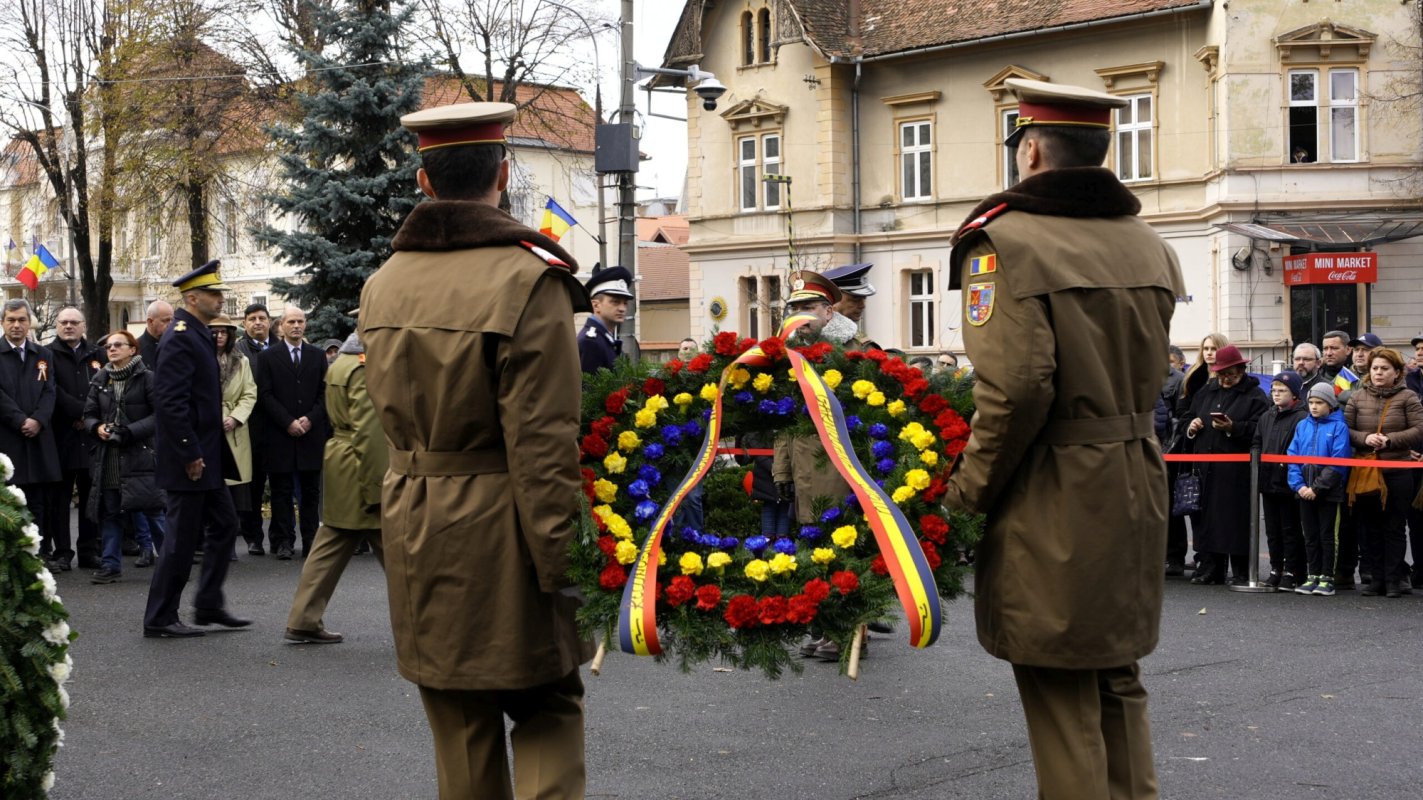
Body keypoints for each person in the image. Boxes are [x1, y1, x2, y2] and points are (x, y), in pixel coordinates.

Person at [941, 77, 1184, 800]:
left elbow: (1015, 390)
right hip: (1134, 475)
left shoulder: (1004, 242)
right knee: (1117, 673)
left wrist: (964, 495)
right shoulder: (1149, 244)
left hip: (1054, 487)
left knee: (1059, 685)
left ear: (1032, 152)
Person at [359, 101, 593, 800]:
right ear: (504, 174)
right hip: (507, 526)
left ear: (424, 181)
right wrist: (567, 564)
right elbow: (543, 441)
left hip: (415, 518)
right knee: (548, 700)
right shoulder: (529, 278)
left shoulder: (382, 283)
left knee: (458, 718)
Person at [143, 260, 249, 638]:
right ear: (192, 298)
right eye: (213, 293)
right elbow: (171, 403)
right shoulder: (180, 337)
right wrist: (189, 453)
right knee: (181, 540)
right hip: (190, 457)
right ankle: (160, 617)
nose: (220, 299)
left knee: (225, 525)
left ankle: (208, 604)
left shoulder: (198, 333)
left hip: (206, 456)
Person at [284, 328, 386, 644]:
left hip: (342, 459)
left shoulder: (343, 361)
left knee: (331, 543)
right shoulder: (365, 365)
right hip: (362, 464)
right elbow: (369, 432)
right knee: (403, 555)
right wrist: (379, 489)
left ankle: (303, 618)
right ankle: (431, 628)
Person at [82, 331, 165, 583]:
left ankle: (172, 562)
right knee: (111, 512)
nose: (112, 349)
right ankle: (110, 566)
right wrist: (97, 427)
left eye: (118, 345)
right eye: (109, 346)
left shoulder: (147, 378)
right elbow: (88, 414)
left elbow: (159, 415)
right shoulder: (100, 378)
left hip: (141, 455)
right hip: (109, 456)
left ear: (133, 349)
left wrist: (129, 431)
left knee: (153, 511)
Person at [1185, 344, 1270, 585]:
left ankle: (1241, 571)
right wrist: (1192, 426)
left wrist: (1234, 427)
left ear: (1241, 370)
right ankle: (1211, 568)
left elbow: (1259, 429)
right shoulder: (1206, 391)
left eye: (1230, 374)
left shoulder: (1255, 395)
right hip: (1206, 466)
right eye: (1221, 374)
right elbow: (1187, 416)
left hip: (1236, 470)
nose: (1225, 379)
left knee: (1235, 521)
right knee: (1206, 520)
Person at [1343, 347, 1423, 597]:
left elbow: (1419, 429)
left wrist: (1390, 440)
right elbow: (1345, 429)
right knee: (1371, 528)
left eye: (1384, 368)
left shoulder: (1408, 397)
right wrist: (1365, 438)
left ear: (1397, 372)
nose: (1378, 372)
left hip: (1398, 471)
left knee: (1395, 527)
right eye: (1375, 368)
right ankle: (1376, 579)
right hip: (1367, 471)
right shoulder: (1357, 397)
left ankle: (1393, 580)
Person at [255, 307, 328, 560]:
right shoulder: (268, 357)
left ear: (305, 324)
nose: (296, 326)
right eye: (291, 322)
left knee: (310, 493)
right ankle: (284, 541)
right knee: (281, 492)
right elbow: (265, 395)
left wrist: (310, 419)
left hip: (310, 435)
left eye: (300, 321)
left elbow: (324, 393)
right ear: (281, 326)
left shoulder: (317, 355)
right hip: (280, 435)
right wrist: (288, 422)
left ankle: (310, 541)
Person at [43, 306, 103, 571]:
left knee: (91, 499)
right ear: (57, 325)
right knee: (60, 500)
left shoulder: (98, 354)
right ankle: (63, 552)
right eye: (64, 322)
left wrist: (89, 417)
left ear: (84, 326)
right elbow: (51, 390)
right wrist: (82, 413)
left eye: (74, 322)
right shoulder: (45, 355)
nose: (68, 326)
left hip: (91, 438)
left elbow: (105, 389)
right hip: (62, 436)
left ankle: (89, 551)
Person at [0, 299, 60, 544]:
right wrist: (20, 420)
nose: (16, 325)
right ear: (2, 323)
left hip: (38, 438)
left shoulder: (43, 355)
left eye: (21, 320)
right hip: (8, 438)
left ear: (29, 323)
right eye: (11, 320)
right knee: (11, 501)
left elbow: (50, 391)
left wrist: (38, 419)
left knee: (39, 500)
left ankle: (40, 552)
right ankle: (14, 555)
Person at [1170, 332, 1230, 574]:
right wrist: (1190, 424)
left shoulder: (1229, 377)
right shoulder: (1193, 377)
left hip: (1222, 450)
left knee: (1217, 510)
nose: (1209, 353)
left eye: (1214, 348)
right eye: (1206, 348)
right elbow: (1182, 411)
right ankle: (1201, 556)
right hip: (1195, 448)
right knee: (1195, 504)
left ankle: (1215, 561)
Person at [1289, 384, 1352, 595]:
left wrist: (1316, 488)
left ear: (1330, 404)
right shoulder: (1302, 425)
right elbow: (1292, 457)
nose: (1314, 406)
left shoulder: (1339, 427)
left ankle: (1327, 577)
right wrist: (1299, 486)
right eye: (1311, 402)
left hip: (1329, 492)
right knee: (1310, 535)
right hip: (1304, 491)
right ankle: (1312, 575)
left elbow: (1338, 462)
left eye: (1319, 403)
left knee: (1328, 535)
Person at [1252, 371, 1308, 589]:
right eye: (1274, 390)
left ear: (1294, 394)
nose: (1276, 394)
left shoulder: (1301, 417)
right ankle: (1276, 567)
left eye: (1282, 390)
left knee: (1290, 528)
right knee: (1272, 530)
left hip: (1288, 481)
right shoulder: (1267, 416)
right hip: (1268, 479)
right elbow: (1257, 442)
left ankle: (1293, 570)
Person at [210, 315, 258, 555]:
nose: (219, 336)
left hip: (234, 427)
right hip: (208, 427)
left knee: (233, 489)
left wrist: (236, 417)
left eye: (224, 332)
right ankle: (213, 543)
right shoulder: (199, 358)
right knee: (211, 487)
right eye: (215, 332)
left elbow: (249, 393)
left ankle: (228, 544)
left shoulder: (242, 360)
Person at [236, 302, 273, 555]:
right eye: (252, 319)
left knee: (281, 487)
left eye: (261, 318)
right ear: (245, 323)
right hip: (251, 427)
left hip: (279, 426)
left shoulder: (280, 346)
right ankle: (254, 537)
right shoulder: (239, 351)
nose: (257, 322)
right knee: (253, 487)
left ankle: (281, 538)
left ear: (269, 321)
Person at [578, 266, 633, 374]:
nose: (622, 308)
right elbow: (589, 383)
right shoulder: (591, 342)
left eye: (625, 303)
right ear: (596, 305)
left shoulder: (604, 339)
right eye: (615, 302)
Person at [823, 262, 877, 348]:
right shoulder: (809, 337)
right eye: (855, 299)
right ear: (833, 299)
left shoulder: (861, 343)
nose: (863, 305)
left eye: (864, 298)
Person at [136, 300, 174, 369]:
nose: (171, 325)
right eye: (165, 320)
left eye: (172, 320)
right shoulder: (136, 349)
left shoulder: (177, 345)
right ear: (150, 322)